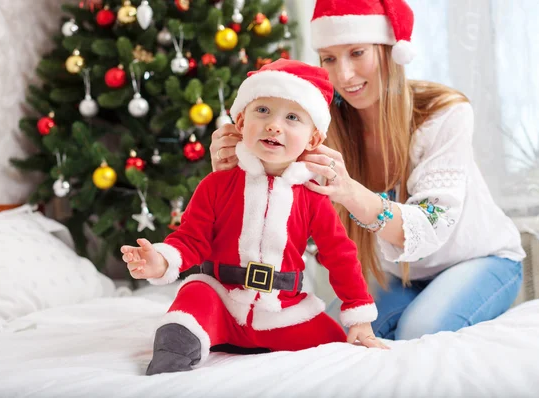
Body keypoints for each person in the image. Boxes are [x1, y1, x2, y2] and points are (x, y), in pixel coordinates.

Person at [210, 0, 526, 341]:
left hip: (480, 259)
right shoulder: (320, 128)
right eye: (329, 58)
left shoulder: (443, 114)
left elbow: (431, 223)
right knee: (333, 335)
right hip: (399, 274)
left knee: (419, 329)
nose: (343, 75)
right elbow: (287, 219)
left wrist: (349, 192)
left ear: (390, 50)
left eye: (357, 53)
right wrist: (235, 173)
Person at [121, 59, 388, 376]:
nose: (274, 125)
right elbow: (191, 238)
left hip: (282, 310)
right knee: (194, 297)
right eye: (262, 111)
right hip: (222, 299)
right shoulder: (216, 185)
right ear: (240, 121)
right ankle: (176, 346)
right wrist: (161, 261)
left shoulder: (313, 198)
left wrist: (358, 318)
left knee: (338, 346)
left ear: (314, 139)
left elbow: (340, 256)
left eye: (292, 117)